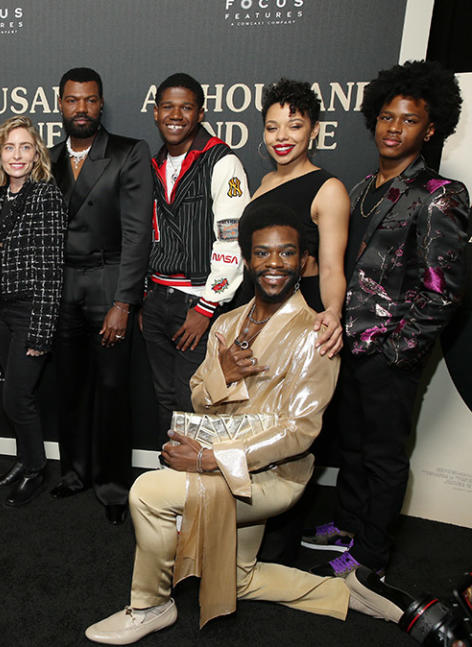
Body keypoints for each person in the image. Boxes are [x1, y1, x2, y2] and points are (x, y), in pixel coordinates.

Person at [84, 206, 400, 645]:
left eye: (286, 253)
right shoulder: (227, 323)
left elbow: (301, 430)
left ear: (303, 261)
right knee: (239, 579)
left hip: (270, 477)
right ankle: (346, 590)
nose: (274, 263)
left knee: (148, 493)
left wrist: (209, 459)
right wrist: (223, 375)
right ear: (248, 261)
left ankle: (150, 605)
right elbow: (197, 394)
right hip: (221, 462)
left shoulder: (315, 332)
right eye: (262, 253)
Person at [304, 60, 470, 578]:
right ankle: (350, 522)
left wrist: (397, 352)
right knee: (351, 444)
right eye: (386, 117)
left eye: (409, 120)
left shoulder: (439, 194)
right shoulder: (358, 189)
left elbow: (445, 290)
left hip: (389, 353)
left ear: (430, 127)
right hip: (346, 345)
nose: (394, 128)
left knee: (384, 455)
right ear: (373, 120)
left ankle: (372, 554)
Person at [48, 67, 153, 525]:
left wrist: (124, 302)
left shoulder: (129, 153)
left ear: (101, 104)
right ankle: (75, 471)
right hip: (62, 286)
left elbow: (136, 235)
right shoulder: (45, 159)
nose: (82, 109)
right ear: (60, 105)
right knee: (69, 384)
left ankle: (113, 484)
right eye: (73, 100)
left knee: (111, 387)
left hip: (110, 281)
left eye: (90, 100)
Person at [142, 72, 250, 455]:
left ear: (200, 112)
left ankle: (197, 494)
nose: (176, 115)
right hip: (156, 300)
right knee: (163, 396)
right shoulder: (153, 163)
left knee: (196, 399)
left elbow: (232, 242)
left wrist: (206, 308)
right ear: (155, 113)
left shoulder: (221, 161)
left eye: (186, 107)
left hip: (197, 305)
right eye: (168, 107)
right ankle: (169, 479)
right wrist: (145, 298)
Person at [0, 116, 65, 506]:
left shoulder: (46, 195)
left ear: (36, 154)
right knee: (13, 398)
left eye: (25, 147)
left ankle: (36, 470)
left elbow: (51, 269)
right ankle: (24, 460)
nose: (17, 155)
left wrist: (41, 331)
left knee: (18, 398)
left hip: (31, 309)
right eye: (9, 147)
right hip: (1, 308)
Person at [240, 78, 348, 356]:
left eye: (295, 126)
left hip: (298, 312)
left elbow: (331, 268)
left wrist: (333, 312)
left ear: (314, 130)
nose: (282, 137)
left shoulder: (329, 189)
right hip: (254, 305)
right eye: (272, 128)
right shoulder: (265, 181)